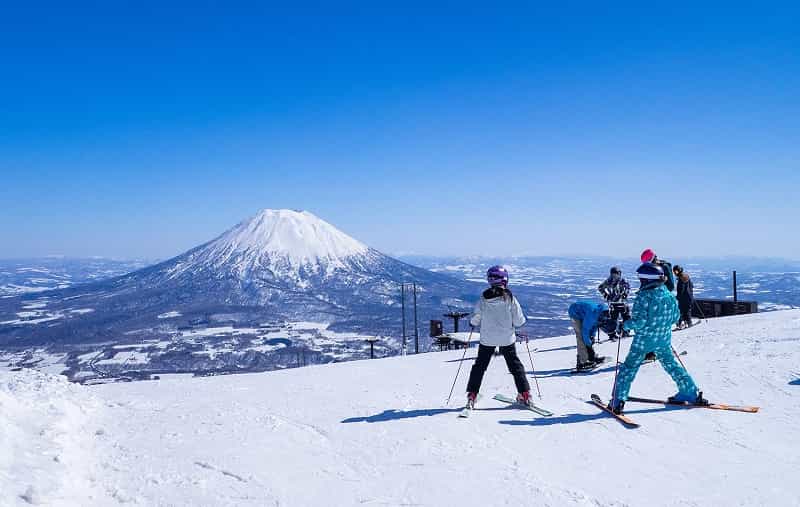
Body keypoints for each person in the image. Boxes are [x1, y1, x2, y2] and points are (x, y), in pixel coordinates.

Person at [607, 262, 708, 414]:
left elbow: (639, 322)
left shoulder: (643, 297)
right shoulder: (669, 295)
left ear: (647, 280)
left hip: (643, 341)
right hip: (663, 338)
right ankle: (690, 392)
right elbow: (675, 317)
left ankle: (618, 400)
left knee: (629, 368)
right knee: (671, 364)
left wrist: (625, 325)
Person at [465, 266, 532, 409]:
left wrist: (472, 323)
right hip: (506, 339)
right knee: (515, 366)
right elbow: (519, 321)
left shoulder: (484, 297)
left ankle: (472, 395)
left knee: (480, 366)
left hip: (487, 339)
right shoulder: (510, 298)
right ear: (505, 279)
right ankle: (525, 394)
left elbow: (477, 316)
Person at [640, 248, 675, 360]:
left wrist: (660, 285)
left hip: (661, 299)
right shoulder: (653, 268)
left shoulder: (664, 267)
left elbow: (670, 286)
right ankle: (650, 352)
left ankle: (658, 350)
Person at [568, 301, 613, 371]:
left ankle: (591, 357)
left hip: (583, 313)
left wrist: (592, 336)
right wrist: (588, 345)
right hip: (575, 313)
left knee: (589, 338)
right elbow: (585, 331)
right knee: (581, 337)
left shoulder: (602, 315)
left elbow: (594, 326)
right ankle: (582, 362)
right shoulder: (592, 315)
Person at [597, 266, 631, 340]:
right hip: (620, 303)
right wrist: (624, 294)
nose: (615, 276)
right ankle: (623, 332)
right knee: (622, 318)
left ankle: (616, 334)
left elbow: (600, 288)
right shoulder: (620, 280)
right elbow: (628, 288)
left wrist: (607, 296)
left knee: (616, 319)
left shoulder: (609, 281)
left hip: (616, 303)